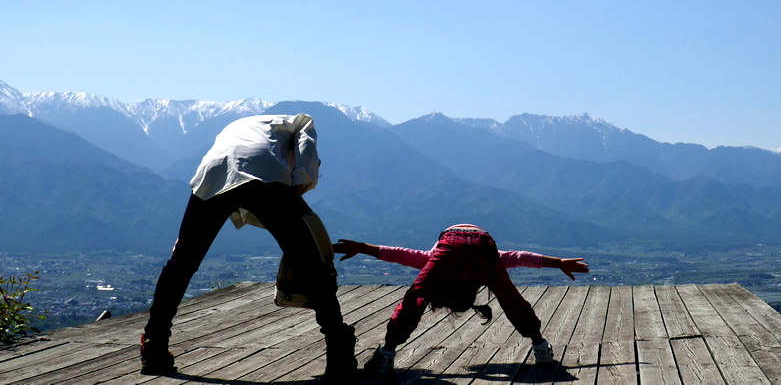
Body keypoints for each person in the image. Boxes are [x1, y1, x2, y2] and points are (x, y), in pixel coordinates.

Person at [140, 113, 357, 377]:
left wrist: (187, 238)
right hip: (261, 171)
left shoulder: (247, 127)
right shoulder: (298, 122)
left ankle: (154, 344)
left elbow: (231, 169)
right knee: (309, 262)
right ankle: (339, 348)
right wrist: (299, 183)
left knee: (181, 262)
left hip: (213, 172)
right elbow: (306, 147)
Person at [333, 225, 589, 374]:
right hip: (479, 243)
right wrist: (558, 263)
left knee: (416, 298)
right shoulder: (480, 268)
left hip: (454, 244)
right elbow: (520, 256)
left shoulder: (442, 264)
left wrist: (363, 248)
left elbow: (401, 255)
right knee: (509, 297)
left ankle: (387, 353)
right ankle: (540, 347)